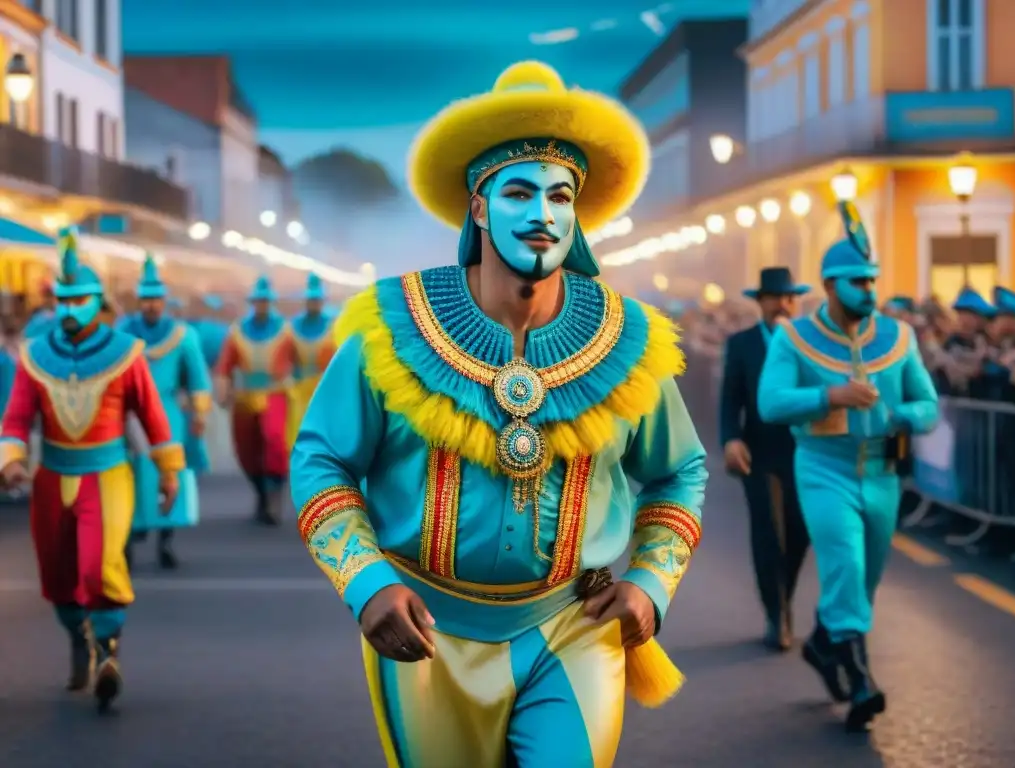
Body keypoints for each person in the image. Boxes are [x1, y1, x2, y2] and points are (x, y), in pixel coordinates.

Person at [292, 60, 707, 768]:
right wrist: (365, 581)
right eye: (518, 192)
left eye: (560, 195)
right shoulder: (390, 328)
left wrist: (651, 580)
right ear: (478, 208)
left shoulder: (631, 340)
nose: (542, 214)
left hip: (573, 626)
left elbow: (679, 471)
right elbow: (321, 460)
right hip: (428, 632)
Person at [757, 203, 938, 731]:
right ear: (830, 285)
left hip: (882, 472)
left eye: (873, 279)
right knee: (845, 564)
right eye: (858, 280)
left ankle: (822, 642)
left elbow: (929, 406)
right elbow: (771, 403)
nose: (869, 289)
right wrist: (829, 395)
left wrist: (898, 414)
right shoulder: (793, 337)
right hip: (823, 467)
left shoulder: (900, 338)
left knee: (865, 579)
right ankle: (862, 681)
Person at [0, 228, 183, 712]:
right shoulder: (35, 357)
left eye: (78, 298)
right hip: (51, 477)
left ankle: (107, 653)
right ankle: (78, 641)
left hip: (108, 475)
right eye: (62, 299)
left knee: (100, 568)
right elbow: (16, 418)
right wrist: (11, 460)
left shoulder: (126, 354)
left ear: (97, 302)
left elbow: (154, 417)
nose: (68, 307)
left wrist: (169, 471)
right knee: (58, 576)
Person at [719, 266, 811, 651]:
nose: (783, 304)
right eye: (774, 298)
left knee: (800, 532)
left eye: (789, 297)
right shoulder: (742, 344)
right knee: (769, 533)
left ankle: (783, 598)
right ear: (761, 302)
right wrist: (730, 439)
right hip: (759, 452)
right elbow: (730, 398)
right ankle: (777, 615)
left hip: (805, 451)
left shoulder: (810, 343)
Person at [118, 255, 212, 569]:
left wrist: (199, 414)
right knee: (129, 476)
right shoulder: (123, 333)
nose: (151, 305)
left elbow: (197, 378)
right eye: (146, 299)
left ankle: (166, 540)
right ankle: (128, 539)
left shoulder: (183, 335)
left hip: (168, 414)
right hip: (130, 416)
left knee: (169, 472)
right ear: (138, 301)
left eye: (156, 299)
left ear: (165, 301)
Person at [214, 275, 296, 525]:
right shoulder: (237, 331)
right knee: (246, 450)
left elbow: (301, 362)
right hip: (245, 396)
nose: (262, 305)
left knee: (274, 440)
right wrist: (223, 390)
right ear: (253, 302)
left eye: (265, 301)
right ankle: (261, 492)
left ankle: (274, 497)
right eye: (258, 301)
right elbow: (225, 365)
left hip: (275, 393)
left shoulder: (285, 331)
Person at [285, 272, 335, 451]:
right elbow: (285, 357)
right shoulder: (292, 327)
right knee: (299, 436)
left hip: (325, 390)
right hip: (300, 390)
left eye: (317, 300)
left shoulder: (333, 327)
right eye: (311, 300)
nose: (314, 303)